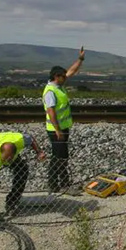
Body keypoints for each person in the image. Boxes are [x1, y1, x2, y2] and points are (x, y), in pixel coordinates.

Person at [0, 132, 45, 226]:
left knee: (22, 169)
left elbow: (31, 138)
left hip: (5, 147)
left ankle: (11, 202)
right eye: (6, 159)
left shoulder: (19, 141)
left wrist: (39, 152)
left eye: (10, 158)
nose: (8, 161)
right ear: (1, 153)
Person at [42, 47, 85, 193]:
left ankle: (63, 183)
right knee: (58, 157)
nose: (65, 78)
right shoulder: (50, 91)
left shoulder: (58, 86)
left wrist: (80, 59)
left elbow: (71, 72)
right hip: (56, 130)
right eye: (62, 76)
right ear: (56, 77)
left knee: (63, 157)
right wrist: (58, 130)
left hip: (63, 128)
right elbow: (51, 112)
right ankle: (55, 185)